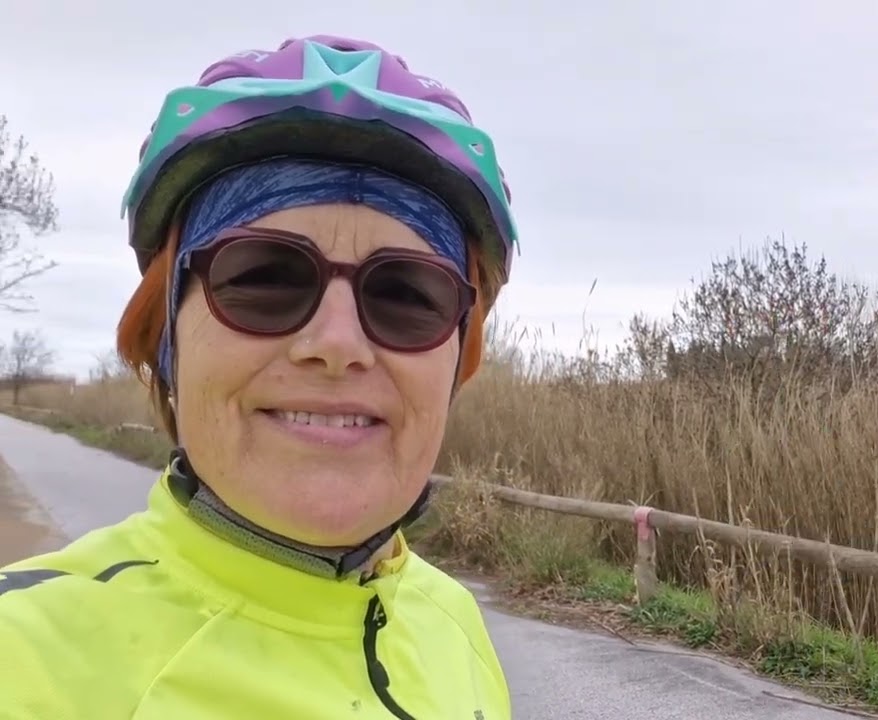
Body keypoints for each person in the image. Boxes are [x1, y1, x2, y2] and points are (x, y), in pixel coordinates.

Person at [0, 35, 519, 719]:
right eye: (263, 279)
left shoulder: (454, 622)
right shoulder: (28, 657)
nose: (337, 345)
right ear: (167, 341)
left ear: (457, 358)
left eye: (407, 295)